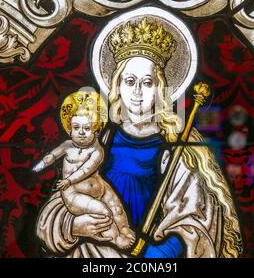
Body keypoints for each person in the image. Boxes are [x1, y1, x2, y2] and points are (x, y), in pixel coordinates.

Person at [36, 17, 243, 258]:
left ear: (159, 88)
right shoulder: (96, 139)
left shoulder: (181, 147)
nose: (136, 92)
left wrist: (153, 255)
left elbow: (196, 222)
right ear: (117, 85)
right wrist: (73, 226)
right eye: (129, 81)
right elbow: (59, 204)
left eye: (146, 82)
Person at [33, 91, 135, 250]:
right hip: (73, 194)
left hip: (99, 187)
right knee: (103, 213)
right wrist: (42, 164)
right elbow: (52, 155)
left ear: (95, 129)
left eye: (87, 128)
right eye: (76, 127)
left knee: (116, 208)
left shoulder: (97, 150)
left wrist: (68, 180)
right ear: (69, 128)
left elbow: (87, 169)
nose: (81, 132)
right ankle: (115, 239)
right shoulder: (67, 146)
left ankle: (123, 229)